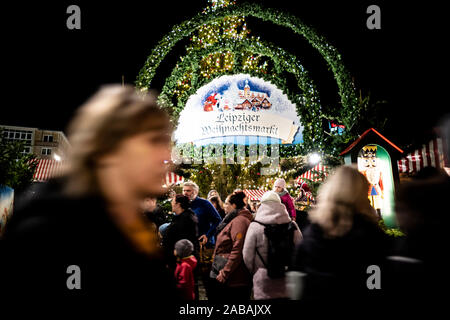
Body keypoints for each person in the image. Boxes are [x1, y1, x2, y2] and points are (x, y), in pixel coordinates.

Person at [0, 85, 175, 306]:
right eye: (153, 141)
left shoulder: (128, 227)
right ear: (108, 149)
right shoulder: (50, 235)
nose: (166, 155)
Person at [291, 165, 389, 303]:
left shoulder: (312, 233)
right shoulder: (372, 237)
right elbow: (376, 284)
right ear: (361, 194)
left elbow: (298, 281)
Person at [243, 191, 302, 300]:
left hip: (263, 279)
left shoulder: (255, 226)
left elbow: (247, 255)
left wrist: (256, 272)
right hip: (288, 277)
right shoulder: (292, 225)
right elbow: (301, 250)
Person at [209, 191, 253, 301]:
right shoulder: (234, 219)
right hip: (230, 275)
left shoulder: (239, 221)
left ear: (234, 205)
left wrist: (225, 272)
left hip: (234, 278)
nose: (224, 206)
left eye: (227, 203)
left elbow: (238, 249)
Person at [162, 194, 198, 267]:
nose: (171, 203)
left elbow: (182, 241)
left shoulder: (186, 220)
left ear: (178, 204)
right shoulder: (181, 217)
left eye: (172, 201)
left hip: (180, 262)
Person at [182, 181, 221, 246]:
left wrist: (208, 235)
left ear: (196, 192)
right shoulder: (182, 204)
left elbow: (218, 220)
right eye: (184, 190)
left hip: (202, 242)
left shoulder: (205, 203)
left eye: (188, 191)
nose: (185, 193)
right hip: (186, 242)